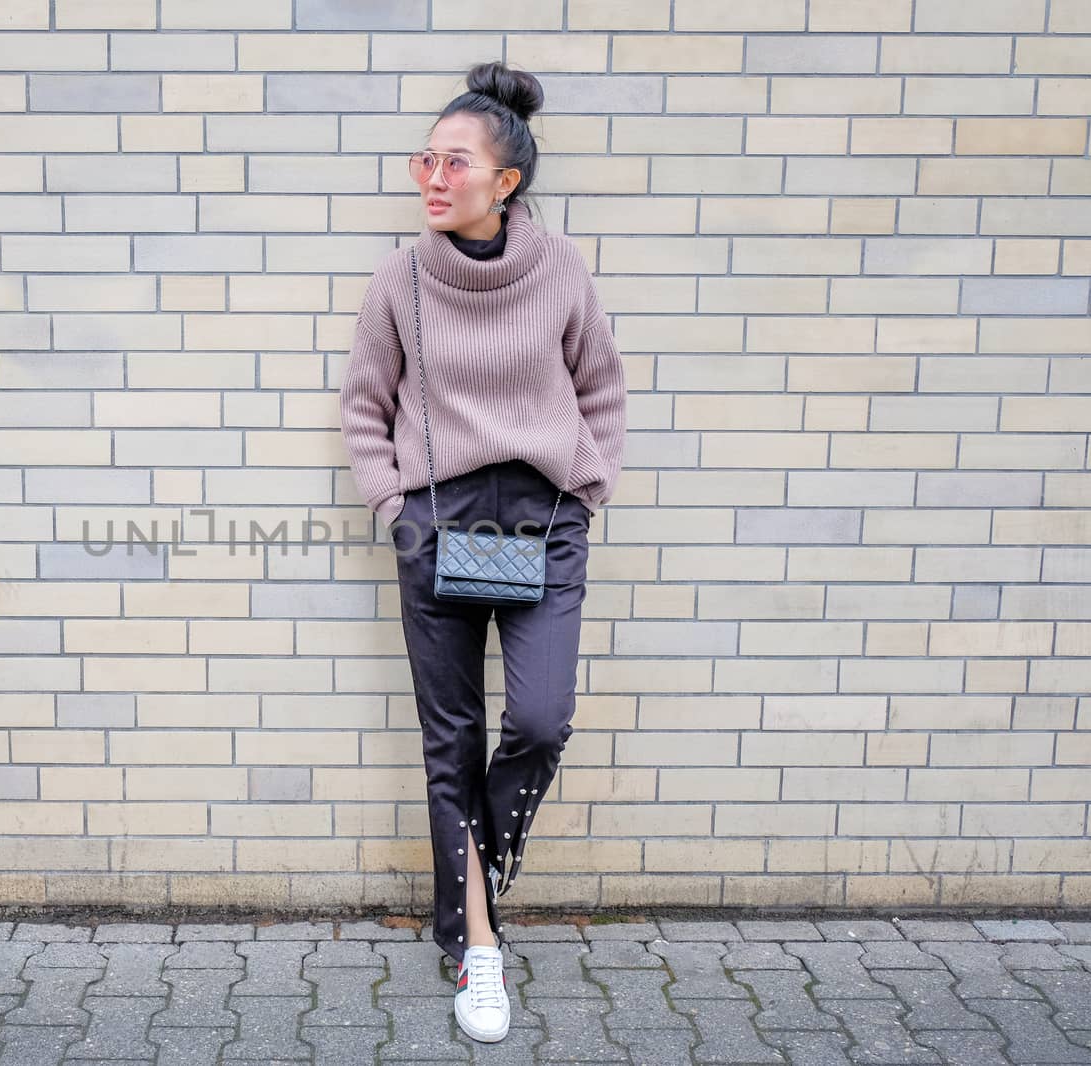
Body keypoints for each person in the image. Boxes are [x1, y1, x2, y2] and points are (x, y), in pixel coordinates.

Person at [337, 60, 628, 1043]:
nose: (430, 175)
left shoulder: (561, 269)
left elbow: (600, 386)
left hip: (542, 524)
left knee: (541, 722)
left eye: (451, 161)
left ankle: (470, 884)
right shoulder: (400, 278)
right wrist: (393, 504)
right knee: (449, 748)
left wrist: (588, 481)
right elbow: (364, 405)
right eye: (425, 158)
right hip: (438, 520)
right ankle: (475, 945)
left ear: (504, 182)